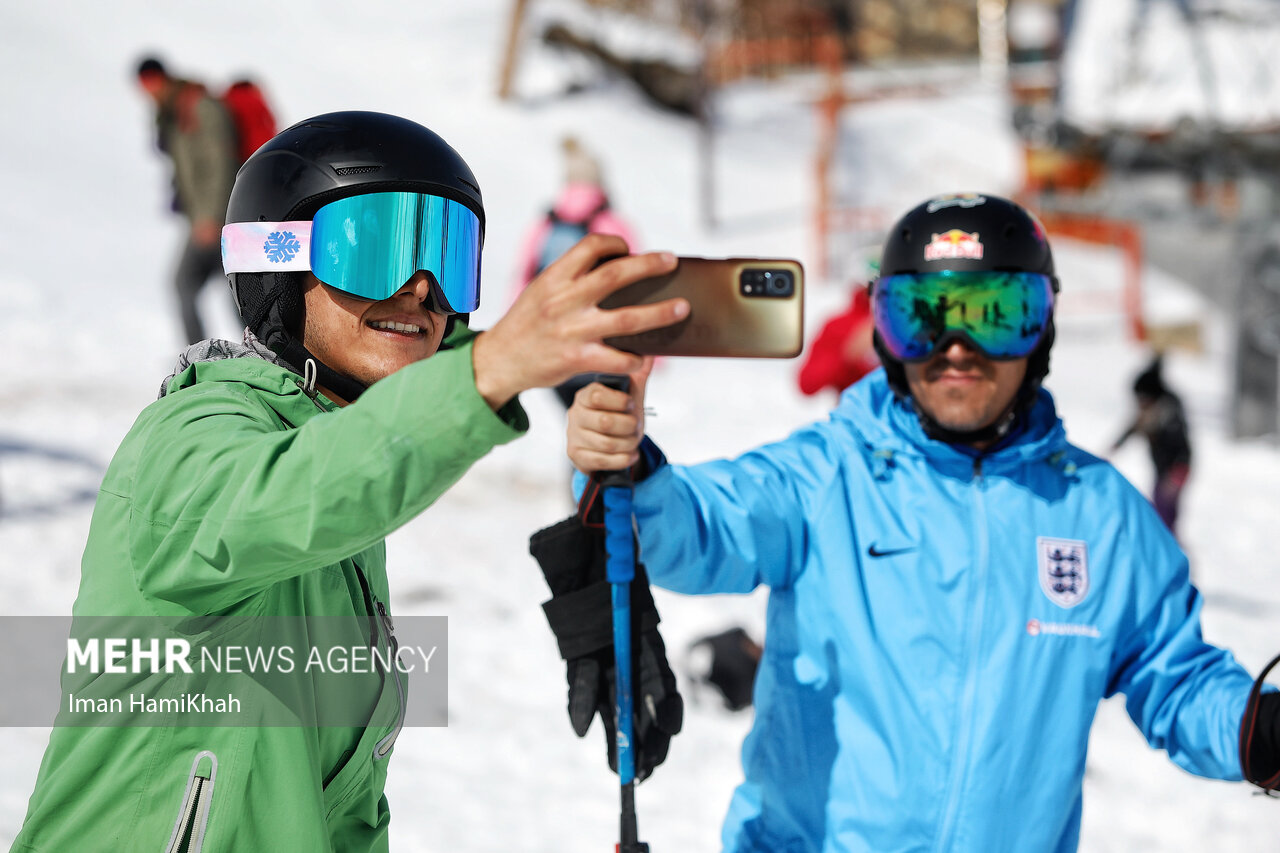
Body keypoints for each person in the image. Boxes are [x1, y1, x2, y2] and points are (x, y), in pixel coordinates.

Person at [12, 111, 688, 852]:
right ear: (280, 264)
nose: (422, 291)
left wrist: (547, 370)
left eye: (447, 255)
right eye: (374, 249)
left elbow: (339, 807)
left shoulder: (333, 444)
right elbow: (287, 496)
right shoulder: (192, 435)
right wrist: (493, 371)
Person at [564, 193, 1279, 851]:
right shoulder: (825, 476)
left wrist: (1260, 731)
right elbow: (695, 530)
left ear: (1041, 331)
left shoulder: (1100, 514)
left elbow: (1177, 678)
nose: (956, 348)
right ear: (885, 331)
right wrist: (628, 467)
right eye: (923, 318)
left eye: (995, 314)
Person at [515, 135, 641, 407]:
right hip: (604, 349)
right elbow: (640, 284)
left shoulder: (547, 223)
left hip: (556, 347)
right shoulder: (612, 222)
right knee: (603, 424)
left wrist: (515, 331)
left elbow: (524, 277)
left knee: (576, 420)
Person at [136, 56, 240, 344]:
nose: (147, 92)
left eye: (150, 84)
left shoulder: (198, 106)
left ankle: (199, 356)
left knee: (193, 284)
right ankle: (259, 351)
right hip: (206, 218)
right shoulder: (172, 112)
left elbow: (219, 161)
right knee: (232, 290)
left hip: (218, 218)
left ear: (161, 79)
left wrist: (211, 215)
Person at [1111, 354, 1192, 535]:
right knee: (1159, 508)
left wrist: (1178, 474)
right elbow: (1132, 427)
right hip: (1161, 469)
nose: (1140, 404)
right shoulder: (1149, 412)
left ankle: (1168, 549)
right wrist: (1117, 445)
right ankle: (1165, 544)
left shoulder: (1170, 415)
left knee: (1165, 512)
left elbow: (1183, 448)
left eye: (1142, 399)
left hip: (1175, 471)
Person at [795, 283, 878, 398]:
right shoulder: (839, 325)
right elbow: (807, 384)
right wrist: (847, 354)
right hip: (854, 411)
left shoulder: (906, 323)